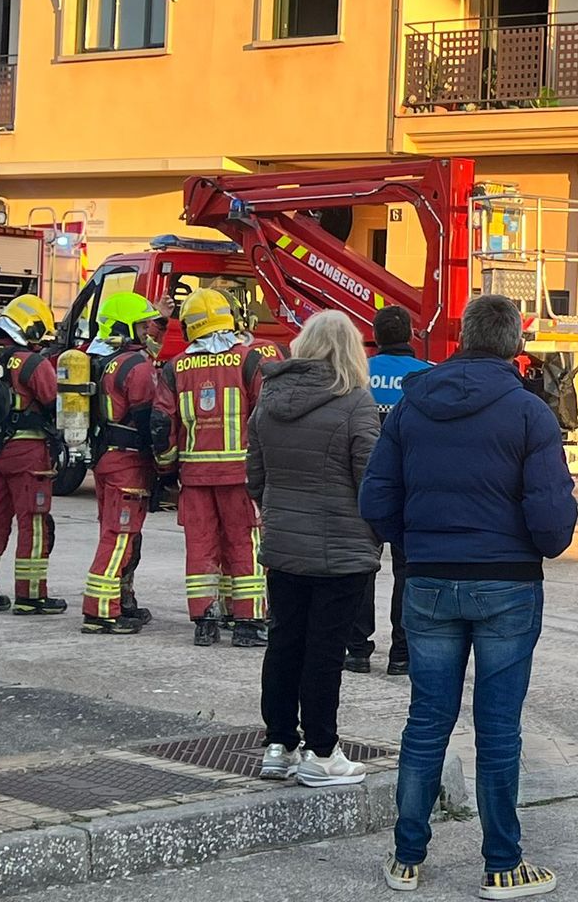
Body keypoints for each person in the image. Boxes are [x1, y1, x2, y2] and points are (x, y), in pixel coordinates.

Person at [361, 294, 577, 899]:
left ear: (463, 338)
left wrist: (418, 543)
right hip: (506, 583)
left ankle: (407, 859)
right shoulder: (529, 413)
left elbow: (375, 501)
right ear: (514, 346)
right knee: (498, 727)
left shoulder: (411, 406)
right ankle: (502, 865)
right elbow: (555, 524)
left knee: (426, 720)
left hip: (427, 579)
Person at [249, 310, 383, 787]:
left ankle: (278, 744)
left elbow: (255, 476)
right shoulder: (356, 404)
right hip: (341, 551)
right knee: (325, 651)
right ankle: (322, 752)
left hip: (284, 545)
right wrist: (377, 533)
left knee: (284, 642)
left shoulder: (269, 397)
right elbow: (370, 481)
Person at [151, 288, 275, 648]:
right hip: (241, 476)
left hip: (194, 477)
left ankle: (205, 621)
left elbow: (162, 425)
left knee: (201, 545)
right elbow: (265, 417)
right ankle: (248, 623)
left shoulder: (175, 367)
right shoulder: (249, 360)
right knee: (244, 544)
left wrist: (165, 468)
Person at [347, 305, 432, 677]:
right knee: (407, 571)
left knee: (361, 568)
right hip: (412, 488)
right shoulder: (429, 376)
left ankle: (357, 651)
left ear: (376, 337)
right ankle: (401, 654)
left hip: (363, 484)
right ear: (411, 335)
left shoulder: (357, 374)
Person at [0, 294, 67, 616]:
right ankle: (31, 596)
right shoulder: (32, 362)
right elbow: (54, 401)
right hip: (28, 454)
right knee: (35, 524)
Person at [80, 291, 165, 635]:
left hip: (107, 458)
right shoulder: (138, 367)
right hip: (128, 463)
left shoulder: (105, 359)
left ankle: (119, 602)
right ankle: (101, 612)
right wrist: (163, 461)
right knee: (119, 536)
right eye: (145, 325)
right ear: (130, 327)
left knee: (116, 535)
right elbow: (148, 422)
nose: (151, 331)